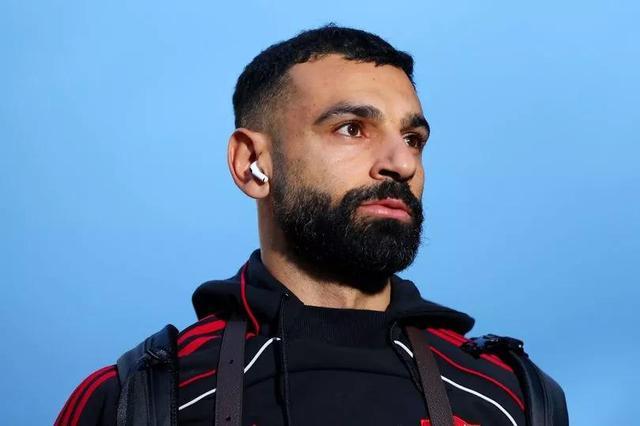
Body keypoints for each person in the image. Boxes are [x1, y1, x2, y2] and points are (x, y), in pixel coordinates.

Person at [56, 25, 566, 426]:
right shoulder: (141, 399)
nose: (401, 163)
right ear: (251, 164)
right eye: (352, 129)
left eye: (413, 139)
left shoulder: (511, 396)